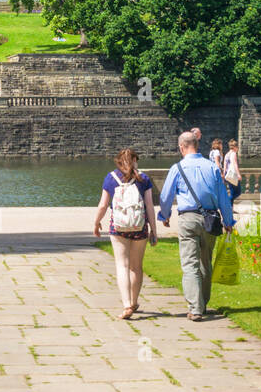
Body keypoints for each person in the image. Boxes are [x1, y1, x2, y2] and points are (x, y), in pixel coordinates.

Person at [157, 130, 235, 321]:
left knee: (190, 263)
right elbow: (223, 197)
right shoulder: (212, 168)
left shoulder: (177, 168)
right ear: (197, 146)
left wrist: (164, 215)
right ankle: (203, 303)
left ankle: (195, 307)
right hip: (210, 218)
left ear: (181, 147)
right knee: (205, 262)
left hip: (188, 218)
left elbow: (166, 196)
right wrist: (228, 220)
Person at [93, 148, 157, 319]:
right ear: (135, 160)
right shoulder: (143, 179)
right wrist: (154, 231)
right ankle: (134, 302)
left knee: (122, 265)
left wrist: (97, 222)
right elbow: (149, 206)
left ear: (119, 161)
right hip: (139, 227)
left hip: (118, 227)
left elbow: (103, 205)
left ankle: (126, 304)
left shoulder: (111, 178)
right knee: (136, 267)